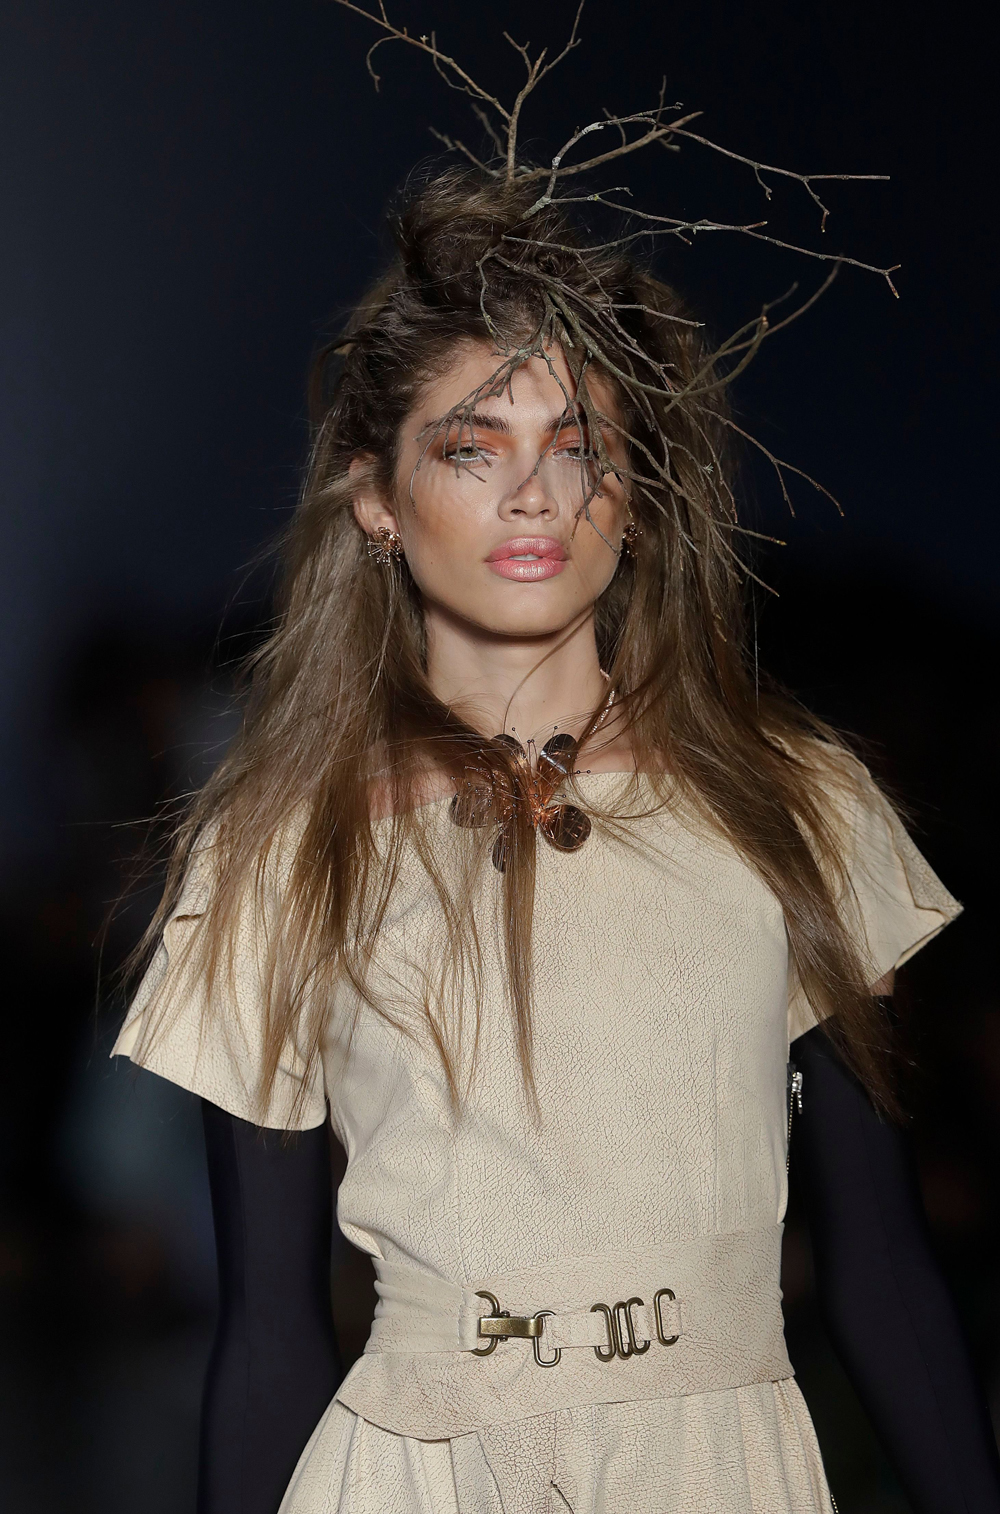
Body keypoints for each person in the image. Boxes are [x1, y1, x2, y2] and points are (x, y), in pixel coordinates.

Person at [113, 168, 1000, 1514]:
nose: (535, 491)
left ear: (634, 492)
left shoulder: (791, 802)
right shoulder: (278, 852)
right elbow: (271, 1335)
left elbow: (882, 1271)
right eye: (473, 445)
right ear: (376, 497)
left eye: (578, 441)